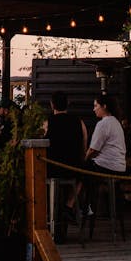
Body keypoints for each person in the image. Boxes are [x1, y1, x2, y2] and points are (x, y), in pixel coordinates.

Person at [44, 91, 87, 223]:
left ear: (52, 105)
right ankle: (69, 204)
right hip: (72, 169)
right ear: (67, 104)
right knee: (83, 177)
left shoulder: (47, 123)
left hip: (51, 168)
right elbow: (84, 146)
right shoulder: (79, 122)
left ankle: (46, 209)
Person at [85, 93, 127, 174]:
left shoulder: (103, 123)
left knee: (80, 168)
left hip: (106, 166)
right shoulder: (116, 122)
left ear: (104, 106)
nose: (94, 109)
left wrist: (85, 160)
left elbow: (93, 150)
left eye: (96, 106)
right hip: (120, 167)